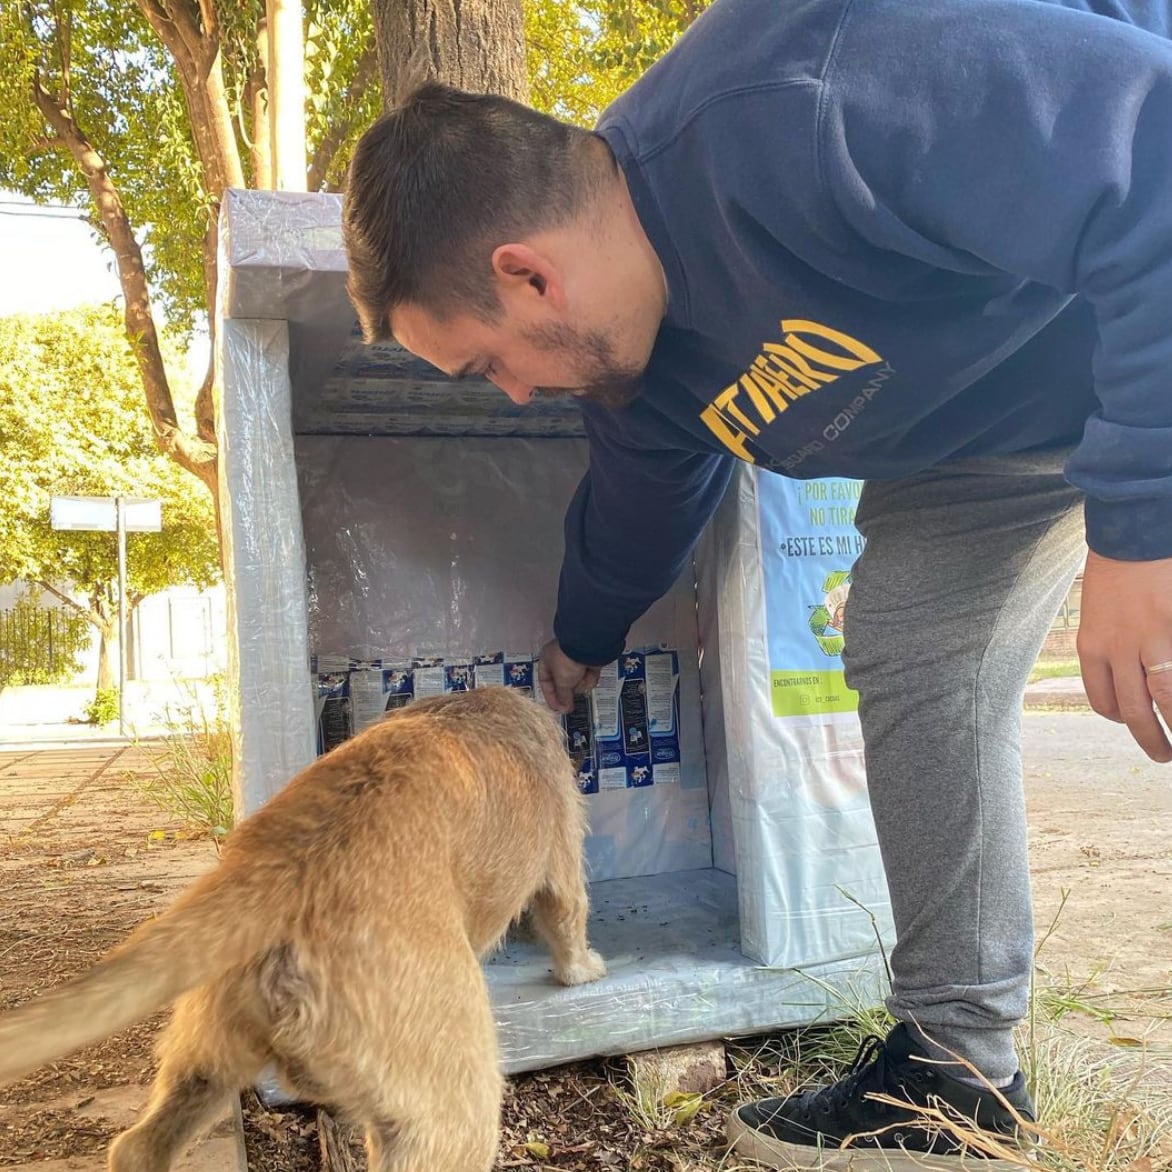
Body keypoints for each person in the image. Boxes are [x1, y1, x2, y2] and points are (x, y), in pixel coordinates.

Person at [341, 0, 1172, 1164]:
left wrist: (1139, 527)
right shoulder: (640, 374)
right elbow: (635, 517)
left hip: (1131, 322)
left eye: (488, 364)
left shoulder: (806, 98)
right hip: (983, 445)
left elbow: (1151, 161)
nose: (516, 398)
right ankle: (959, 1069)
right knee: (904, 647)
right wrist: (576, 646)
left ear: (525, 274)